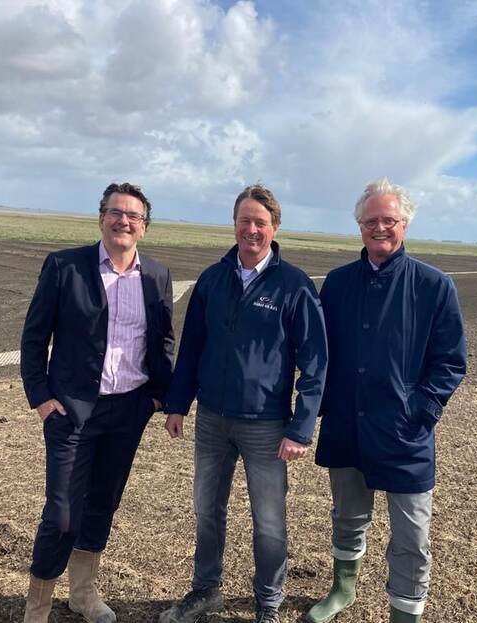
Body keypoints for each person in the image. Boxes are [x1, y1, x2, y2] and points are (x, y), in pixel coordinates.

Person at [159, 184, 328, 623]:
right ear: (233, 224)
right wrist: (178, 404)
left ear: (274, 228)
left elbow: (316, 362)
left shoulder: (293, 285)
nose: (251, 230)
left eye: (260, 222)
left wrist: (300, 427)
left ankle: (268, 604)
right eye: (244, 221)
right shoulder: (213, 279)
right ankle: (205, 590)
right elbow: (192, 346)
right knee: (206, 511)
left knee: (269, 521)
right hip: (213, 418)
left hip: (266, 425)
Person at [305, 178, 466, 623]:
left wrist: (420, 413)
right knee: (348, 516)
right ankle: (343, 588)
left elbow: (450, 361)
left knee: (412, 537)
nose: (380, 227)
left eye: (388, 220)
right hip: (346, 427)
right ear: (359, 226)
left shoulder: (434, 286)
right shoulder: (336, 284)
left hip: (405, 434)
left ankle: (404, 615)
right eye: (370, 220)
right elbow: (318, 354)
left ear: (405, 224)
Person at [19, 182, 175, 623]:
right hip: (71, 411)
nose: (123, 221)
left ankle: (83, 593)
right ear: (100, 217)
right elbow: (34, 338)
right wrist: (43, 398)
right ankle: (38, 607)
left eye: (134, 216)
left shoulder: (157, 276)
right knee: (63, 513)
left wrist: (159, 398)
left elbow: (162, 340)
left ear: (144, 227)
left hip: (128, 410)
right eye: (115, 212)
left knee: (103, 502)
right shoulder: (64, 266)